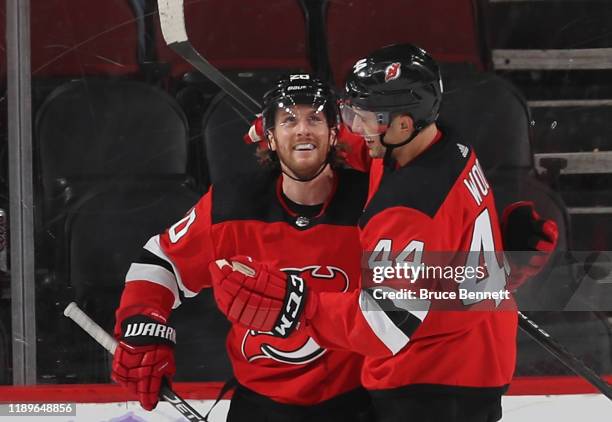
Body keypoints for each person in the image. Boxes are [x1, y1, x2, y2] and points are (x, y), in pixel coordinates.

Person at [210, 44, 558, 422]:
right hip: (473, 358)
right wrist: (286, 128)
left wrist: (298, 305)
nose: (354, 127)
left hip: (432, 386)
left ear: (402, 124)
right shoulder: (442, 144)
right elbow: (359, 147)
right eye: (348, 113)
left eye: (362, 117)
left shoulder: (406, 210)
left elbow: (386, 324)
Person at [110, 73, 376, 422]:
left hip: (352, 403)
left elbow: (430, 284)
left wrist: (375, 151)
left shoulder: (372, 200)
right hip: (260, 405)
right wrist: (142, 324)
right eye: (288, 120)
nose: (302, 130)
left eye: (315, 118)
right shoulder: (230, 205)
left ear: (335, 132)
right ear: (268, 136)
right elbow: (161, 261)